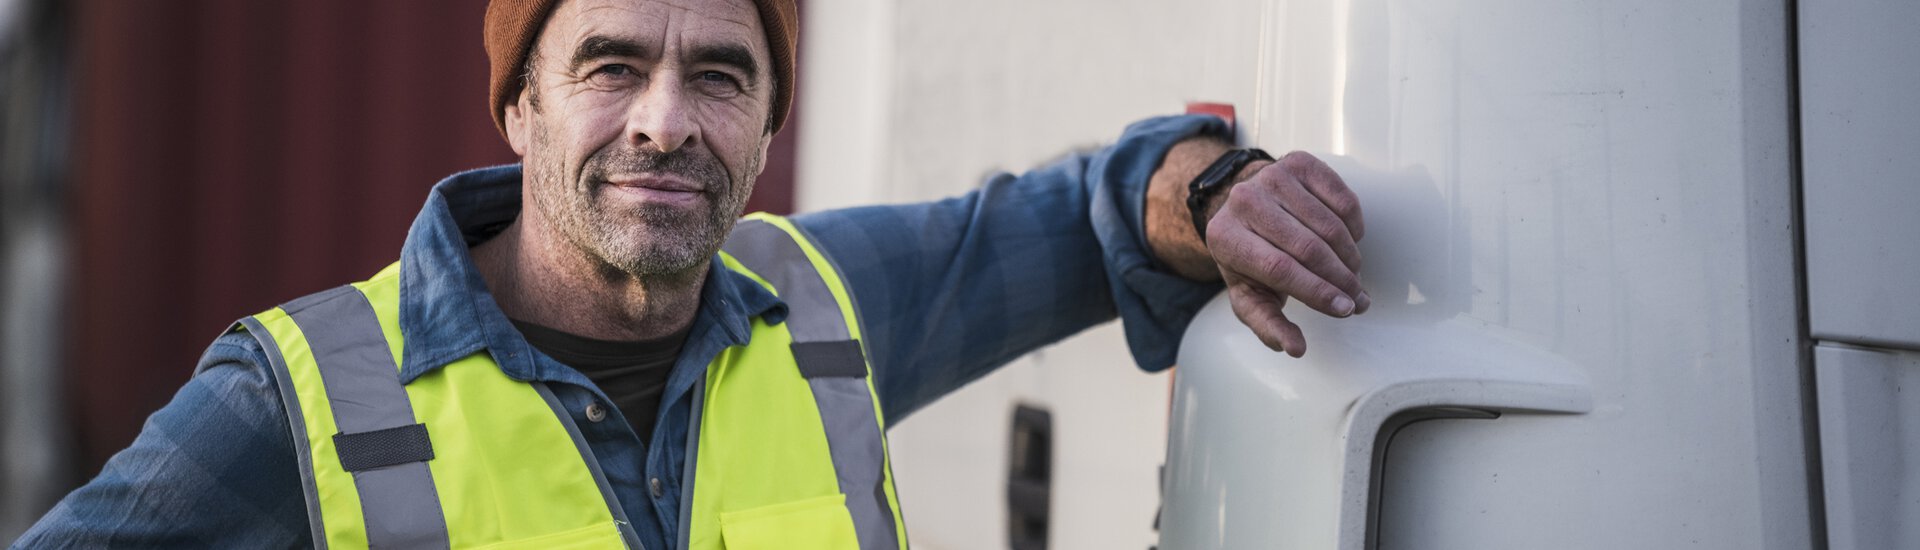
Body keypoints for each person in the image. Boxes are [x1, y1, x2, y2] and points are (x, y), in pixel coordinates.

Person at [14, 0, 1368, 547]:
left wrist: (1216, 194)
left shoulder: (829, 308)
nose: (666, 120)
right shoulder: (302, 402)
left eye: (719, 74)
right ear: (521, 106)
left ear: (770, 126)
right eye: (612, 66)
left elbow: (1084, 218)